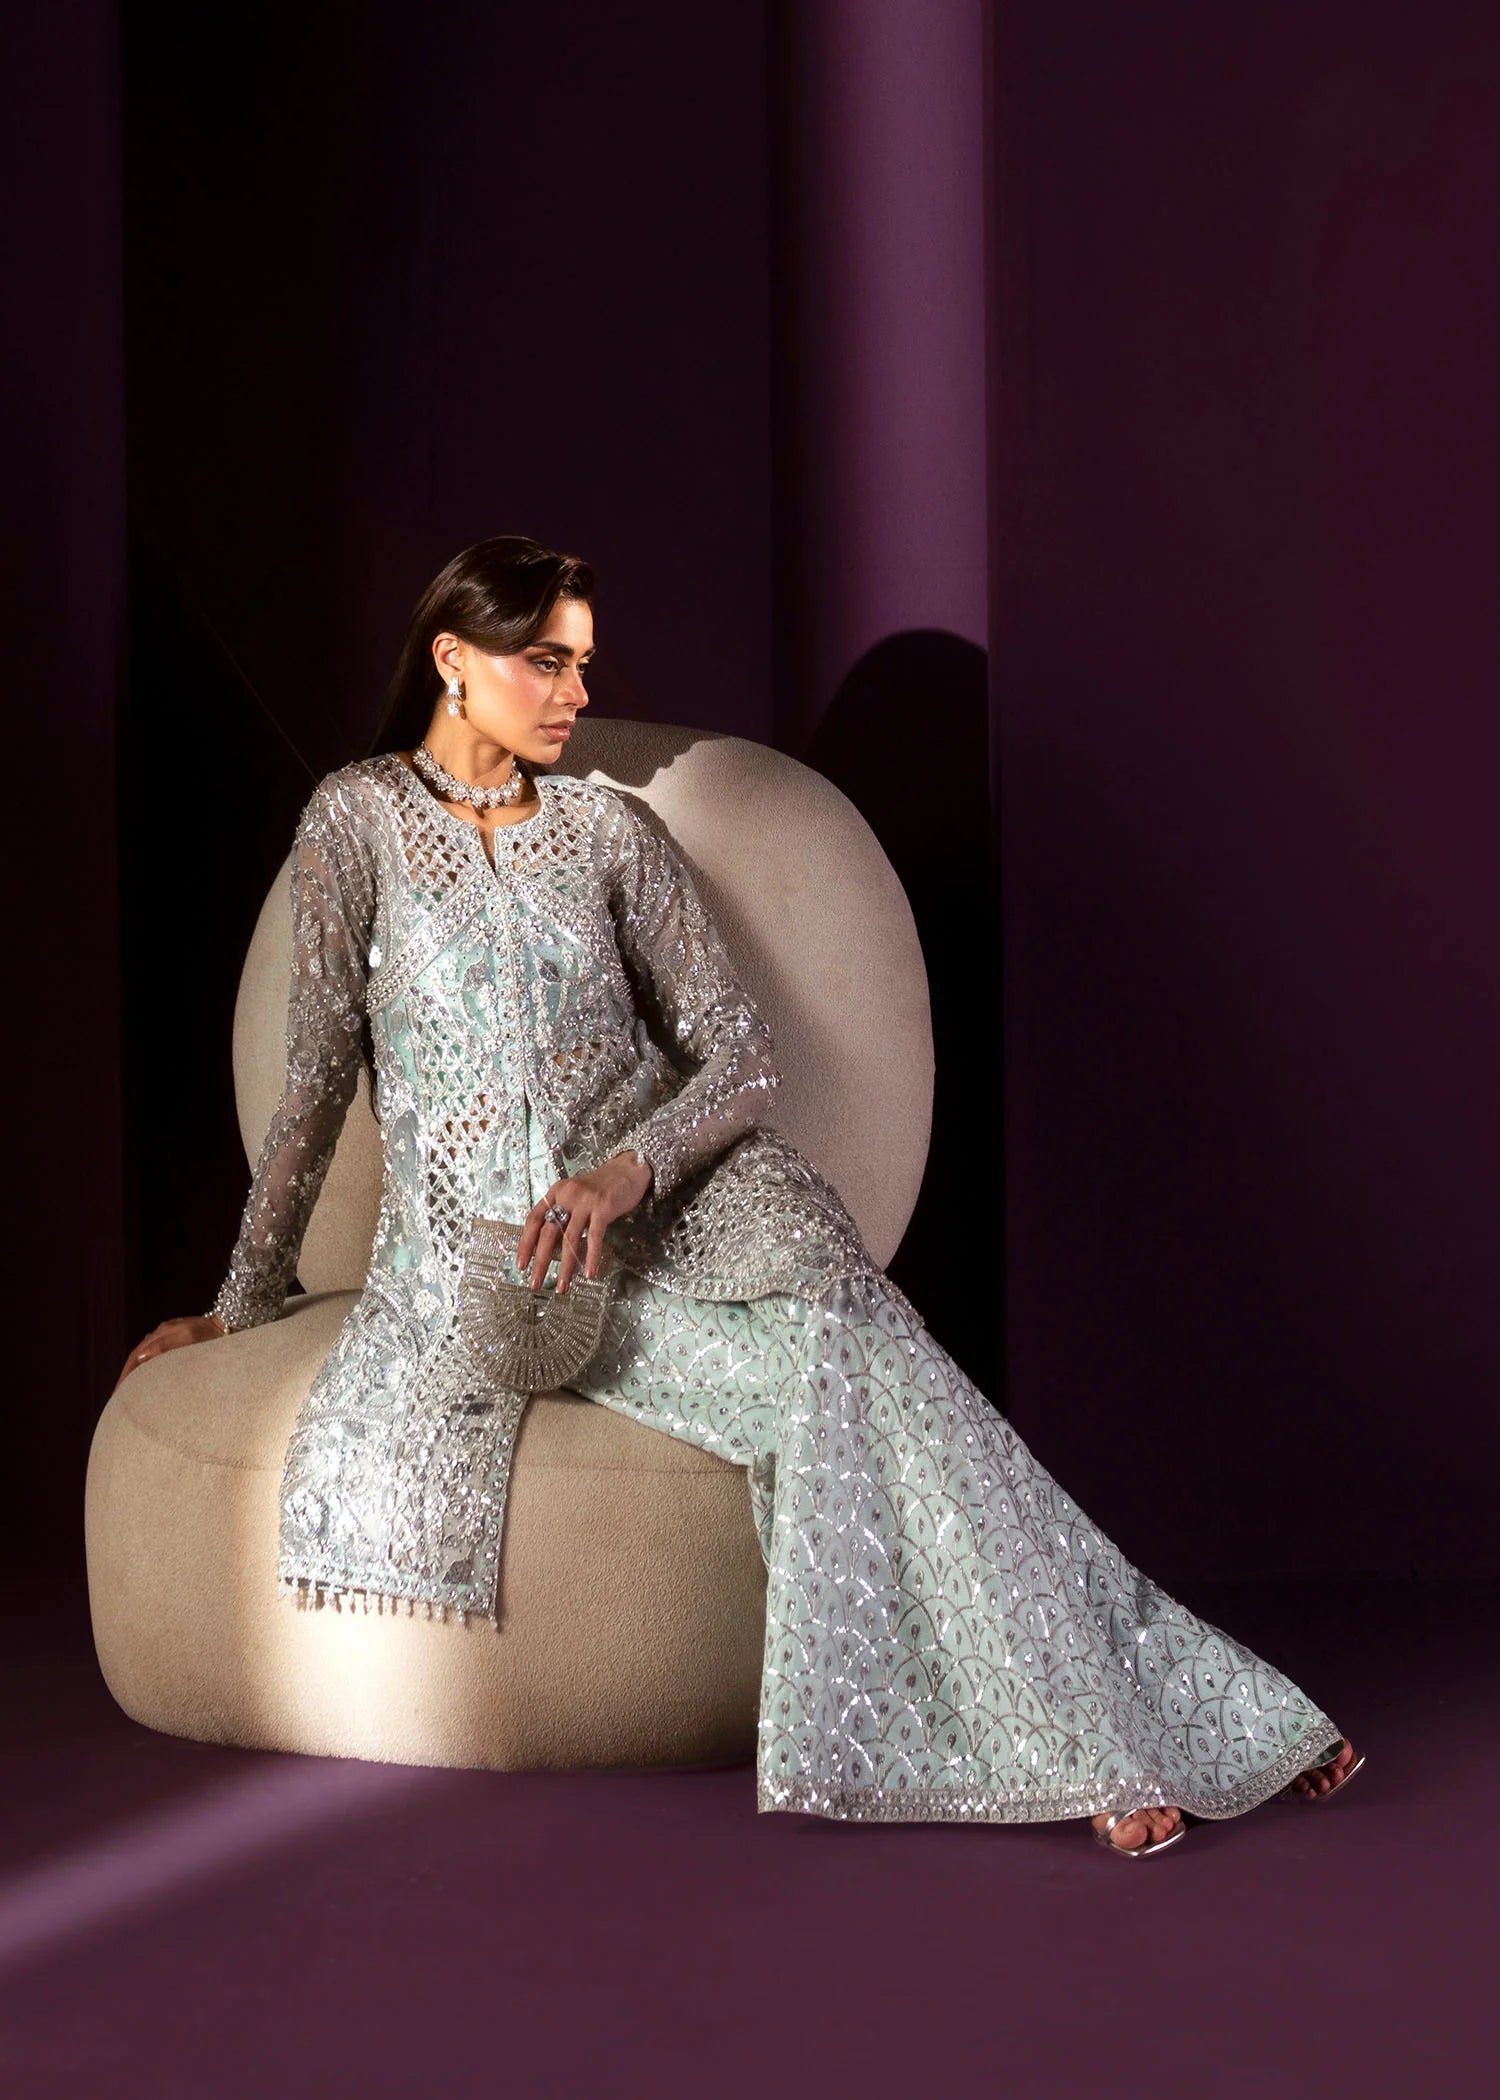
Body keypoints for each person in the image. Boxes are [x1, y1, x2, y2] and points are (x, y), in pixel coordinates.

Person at [114, 534, 1363, 1857]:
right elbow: (314, 1085)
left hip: (677, 1215)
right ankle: (1141, 1734)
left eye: (583, 664)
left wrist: (627, 1169)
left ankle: (1160, 1723)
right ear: (453, 659)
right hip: (508, 1271)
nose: (577, 694)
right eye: (547, 662)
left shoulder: (609, 834)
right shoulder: (355, 820)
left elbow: (741, 1053)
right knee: (865, 1388)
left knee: (877, 1354)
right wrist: (239, 1302)